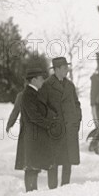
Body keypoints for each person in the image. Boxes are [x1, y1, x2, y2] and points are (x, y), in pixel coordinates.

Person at [39, 57, 82, 189]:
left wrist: (77, 119)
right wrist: (52, 119)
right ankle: (52, 190)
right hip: (55, 130)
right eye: (64, 68)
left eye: (67, 67)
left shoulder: (70, 85)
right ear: (56, 70)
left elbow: (76, 104)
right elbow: (41, 106)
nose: (67, 70)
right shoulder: (47, 85)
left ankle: (65, 188)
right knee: (54, 160)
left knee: (68, 159)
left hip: (69, 128)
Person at [15, 68, 57, 192]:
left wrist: (52, 116)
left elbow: (41, 111)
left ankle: (33, 192)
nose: (43, 81)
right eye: (41, 78)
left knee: (34, 165)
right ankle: (30, 193)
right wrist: (48, 124)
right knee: (31, 166)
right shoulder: (28, 94)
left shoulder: (34, 93)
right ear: (33, 80)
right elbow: (34, 116)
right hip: (31, 136)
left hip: (35, 136)